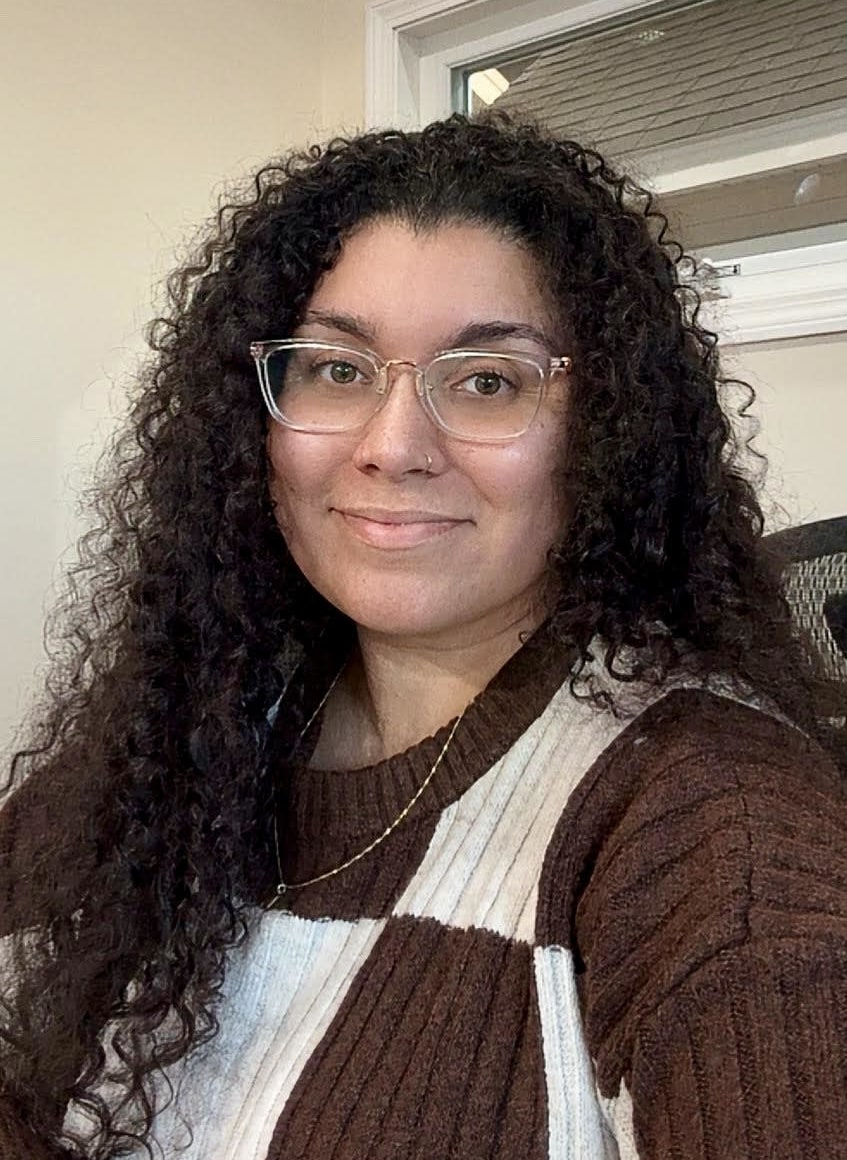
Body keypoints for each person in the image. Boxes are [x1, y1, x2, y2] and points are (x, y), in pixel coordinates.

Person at [1, 112, 845, 1160]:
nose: (392, 446)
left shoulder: (720, 838)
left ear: (609, 433)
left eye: (487, 380)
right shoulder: (205, 708)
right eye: (336, 370)